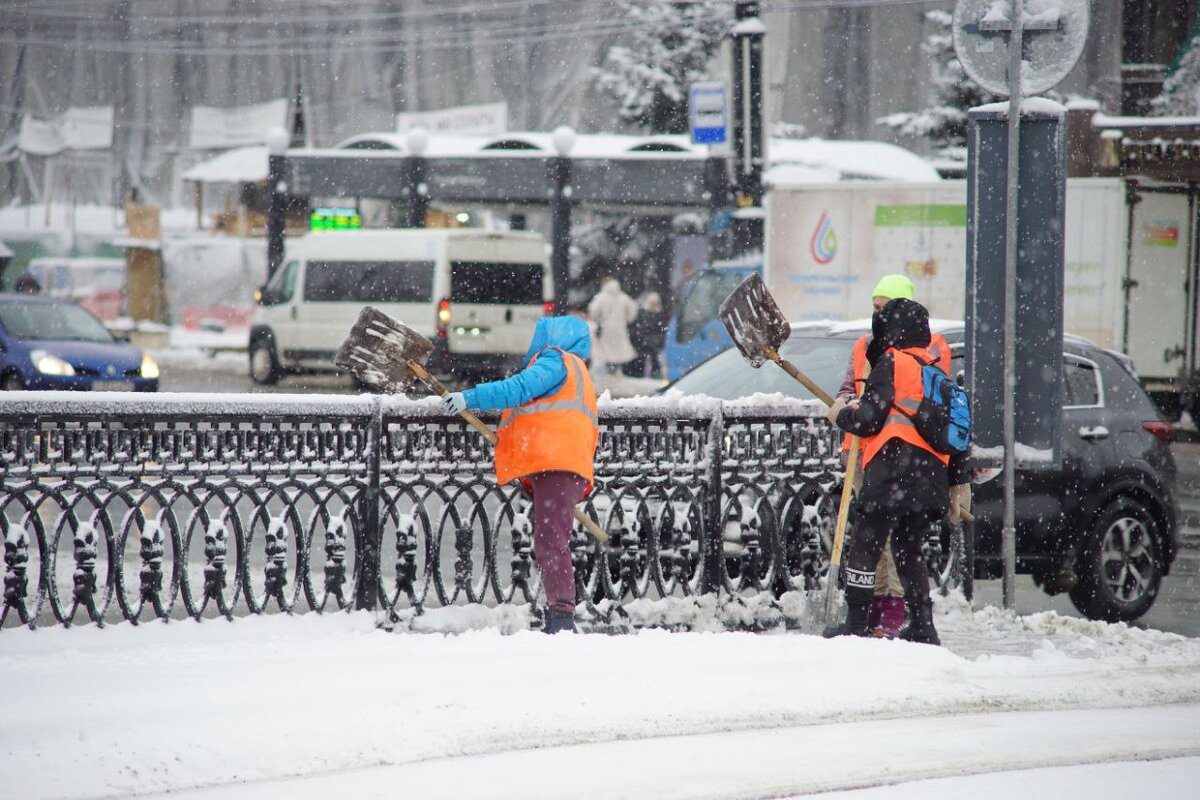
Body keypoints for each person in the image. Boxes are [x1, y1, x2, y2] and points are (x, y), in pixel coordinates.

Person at [825, 298, 971, 645]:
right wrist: (956, 486)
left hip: (893, 472)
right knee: (909, 548)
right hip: (930, 478)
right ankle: (923, 624)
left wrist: (840, 415)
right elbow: (959, 436)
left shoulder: (892, 363)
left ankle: (856, 622)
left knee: (865, 542)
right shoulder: (935, 371)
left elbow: (868, 419)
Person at [442, 316, 599, 634]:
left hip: (557, 464)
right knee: (551, 539)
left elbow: (518, 389)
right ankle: (559, 612)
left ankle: (561, 618)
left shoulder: (555, 359)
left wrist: (468, 398)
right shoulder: (577, 368)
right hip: (563, 463)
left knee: (551, 542)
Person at [587, 277, 638, 373]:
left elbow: (593, 310)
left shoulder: (601, 297)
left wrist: (598, 319)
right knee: (619, 349)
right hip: (620, 327)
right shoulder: (623, 296)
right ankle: (618, 370)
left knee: (607, 350)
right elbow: (633, 308)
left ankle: (609, 370)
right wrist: (627, 319)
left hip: (606, 328)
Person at [626, 291, 665, 378]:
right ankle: (637, 375)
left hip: (651, 343)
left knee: (654, 360)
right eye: (652, 303)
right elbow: (636, 328)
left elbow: (661, 330)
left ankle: (655, 376)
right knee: (639, 360)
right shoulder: (642, 313)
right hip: (640, 342)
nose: (654, 305)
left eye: (656, 303)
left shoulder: (659, 314)